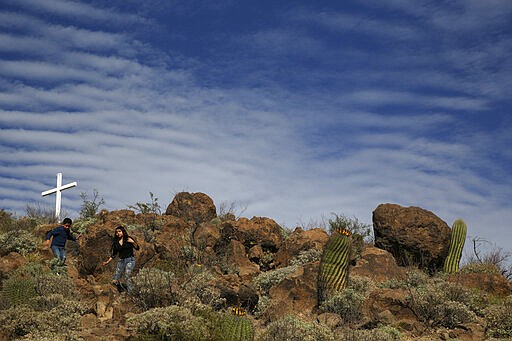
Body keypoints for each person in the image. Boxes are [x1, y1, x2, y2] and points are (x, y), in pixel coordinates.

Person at [102, 226, 139, 293]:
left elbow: (137, 248)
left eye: (119, 231)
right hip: (121, 260)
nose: (118, 233)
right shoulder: (116, 242)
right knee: (116, 277)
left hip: (130, 260)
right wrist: (107, 262)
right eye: (116, 232)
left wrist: (133, 242)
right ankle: (117, 291)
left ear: (123, 231)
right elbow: (114, 254)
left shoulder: (128, 239)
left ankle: (130, 293)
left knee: (127, 276)